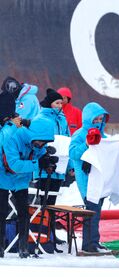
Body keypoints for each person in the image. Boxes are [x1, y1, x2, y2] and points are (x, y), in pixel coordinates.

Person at [0, 93, 56, 258]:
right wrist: (37, 164)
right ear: (34, 137)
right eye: (40, 142)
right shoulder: (11, 136)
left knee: (24, 213)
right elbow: (14, 164)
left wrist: (46, 160)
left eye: (44, 143)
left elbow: (39, 153)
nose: (41, 145)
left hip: (20, 180)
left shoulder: (37, 139)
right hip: (3, 176)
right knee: (1, 212)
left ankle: (24, 248)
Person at [33, 88, 71, 252]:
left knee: (52, 205)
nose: (60, 106)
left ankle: (50, 236)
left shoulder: (62, 119)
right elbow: (36, 141)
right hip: (44, 167)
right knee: (43, 203)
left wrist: (69, 166)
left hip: (59, 167)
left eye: (61, 103)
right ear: (50, 104)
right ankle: (42, 236)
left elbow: (68, 140)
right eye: (57, 103)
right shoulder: (41, 118)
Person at [69, 102, 110, 253]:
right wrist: (86, 144)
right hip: (87, 180)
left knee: (96, 212)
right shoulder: (79, 134)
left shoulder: (104, 136)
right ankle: (89, 244)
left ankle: (94, 241)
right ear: (88, 119)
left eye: (100, 119)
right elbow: (73, 153)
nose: (99, 123)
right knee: (91, 211)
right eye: (96, 119)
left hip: (99, 179)